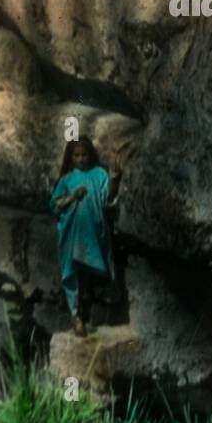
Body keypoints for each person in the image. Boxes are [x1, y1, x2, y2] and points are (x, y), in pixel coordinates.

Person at [48, 137, 121, 337]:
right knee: (73, 273)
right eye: (76, 155)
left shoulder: (99, 174)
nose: (81, 159)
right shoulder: (67, 180)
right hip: (73, 234)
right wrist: (73, 197)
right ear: (71, 157)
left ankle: (91, 312)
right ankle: (75, 316)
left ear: (91, 154)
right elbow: (54, 205)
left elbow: (108, 198)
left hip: (94, 232)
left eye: (84, 155)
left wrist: (114, 179)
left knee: (91, 274)